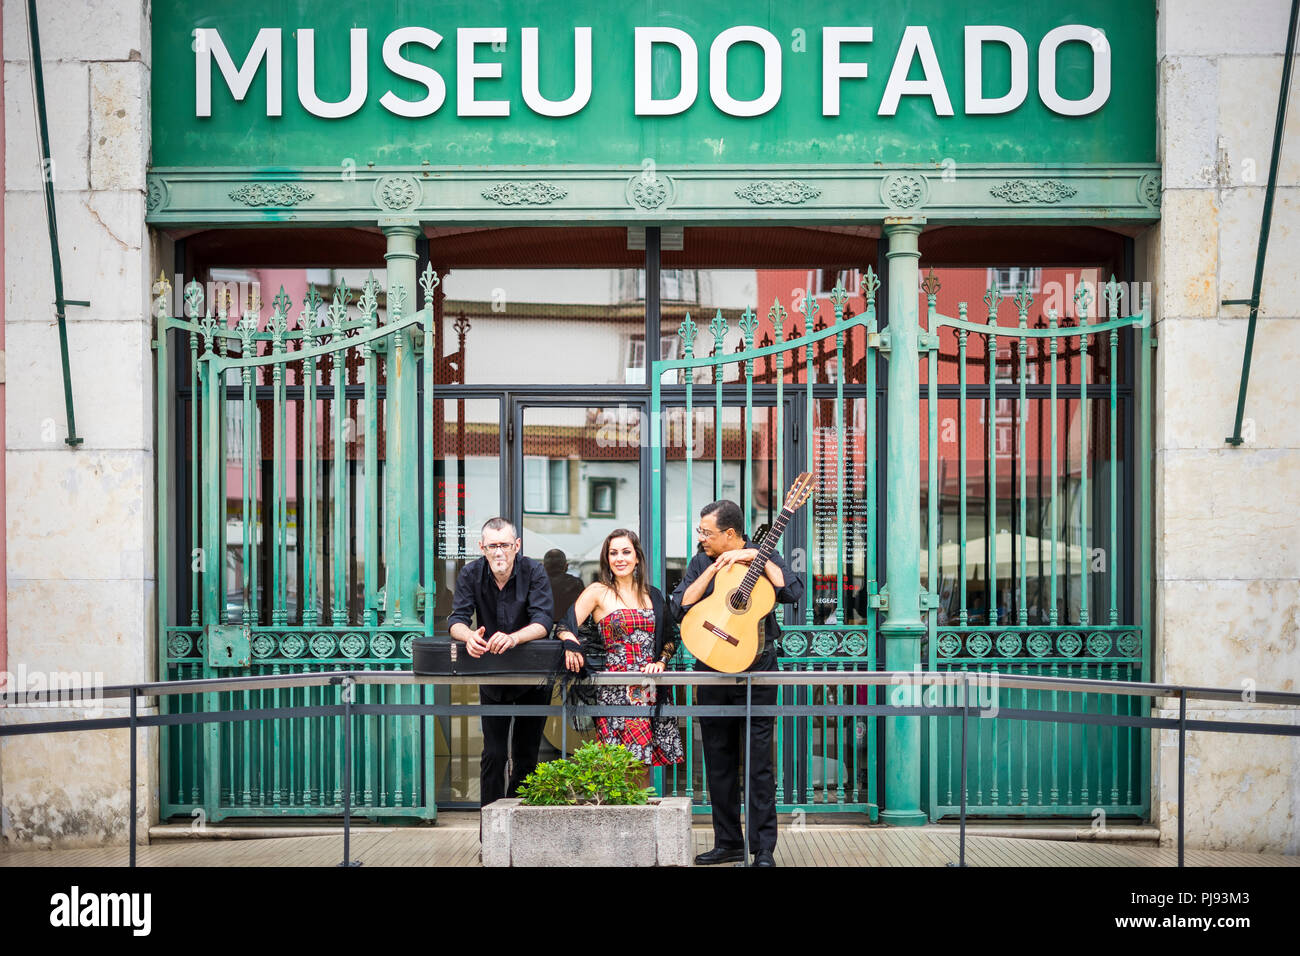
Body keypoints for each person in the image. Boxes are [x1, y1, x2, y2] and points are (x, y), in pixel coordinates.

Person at [671, 499, 804, 867]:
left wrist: (750, 558)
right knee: (718, 762)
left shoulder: (764, 556)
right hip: (711, 670)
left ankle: (763, 849)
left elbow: (792, 592)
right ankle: (728, 842)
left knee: (759, 765)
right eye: (701, 531)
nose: (701, 538)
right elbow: (679, 603)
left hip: (757, 672)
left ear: (730, 534)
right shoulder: (702, 560)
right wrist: (715, 568)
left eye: (707, 533)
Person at [556, 529, 684, 786]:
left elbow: (672, 637)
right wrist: (570, 643)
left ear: (637, 557)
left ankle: (641, 822)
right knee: (615, 763)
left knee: (642, 764)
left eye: (626, 552)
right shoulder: (597, 592)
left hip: (648, 686)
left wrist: (660, 662)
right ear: (607, 559)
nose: (620, 558)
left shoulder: (654, 595)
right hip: (613, 686)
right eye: (613, 553)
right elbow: (564, 625)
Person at [447, 517, 554, 808]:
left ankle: (515, 829)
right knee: (493, 755)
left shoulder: (534, 571)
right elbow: (456, 620)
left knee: (526, 754)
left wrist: (514, 638)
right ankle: (491, 832)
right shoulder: (470, 573)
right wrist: (468, 636)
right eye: (492, 546)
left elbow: (543, 621)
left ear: (516, 546)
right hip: (493, 677)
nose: (499, 553)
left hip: (533, 678)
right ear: (482, 547)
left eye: (505, 545)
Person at [543, 548, 585, 623]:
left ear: (543, 566)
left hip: (542, 629)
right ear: (566, 566)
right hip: (569, 628)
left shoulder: (537, 584)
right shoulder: (576, 583)